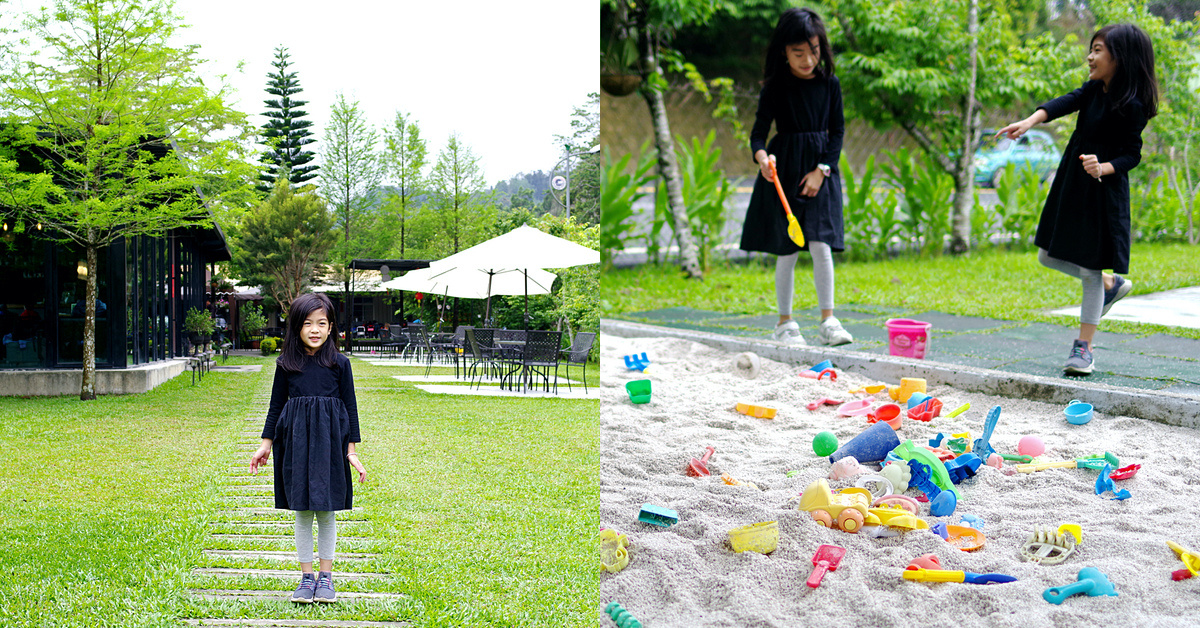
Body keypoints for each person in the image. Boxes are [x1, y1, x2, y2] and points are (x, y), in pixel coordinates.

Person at [996, 24, 1157, 375]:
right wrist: (1030, 120)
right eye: (1092, 48)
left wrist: (1104, 168)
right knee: (1046, 255)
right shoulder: (1095, 89)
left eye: (1098, 49)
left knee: (1089, 272)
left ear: (1121, 57)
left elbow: (1133, 154)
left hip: (1103, 192)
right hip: (1074, 183)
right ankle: (1111, 286)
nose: (1090, 56)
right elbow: (1066, 102)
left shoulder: (1134, 105)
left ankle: (1083, 348)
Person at [740, 7, 852, 347]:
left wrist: (822, 171)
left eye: (813, 51)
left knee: (821, 245)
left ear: (822, 49)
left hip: (820, 172)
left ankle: (828, 320)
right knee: (787, 249)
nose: (807, 60)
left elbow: (837, 133)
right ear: (784, 52)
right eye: (798, 53)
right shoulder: (774, 88)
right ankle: (785, 324)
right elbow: (758, 135)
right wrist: (763, 160)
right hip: (784, 172)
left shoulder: (830, 85)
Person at [250, 292, 368, 603]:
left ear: (331, 328)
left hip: (330, 442)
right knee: (301, 510)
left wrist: (351, 451)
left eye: (321, 323)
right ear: (296, 328)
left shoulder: (340, 364)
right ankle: (305, 578)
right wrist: (265, 445)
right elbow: (276, 406)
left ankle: (326, 578)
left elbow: (351, 407)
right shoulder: (286, 363)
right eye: (307, 324)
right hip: (295, 443)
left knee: (326, 510)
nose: (314, 330)